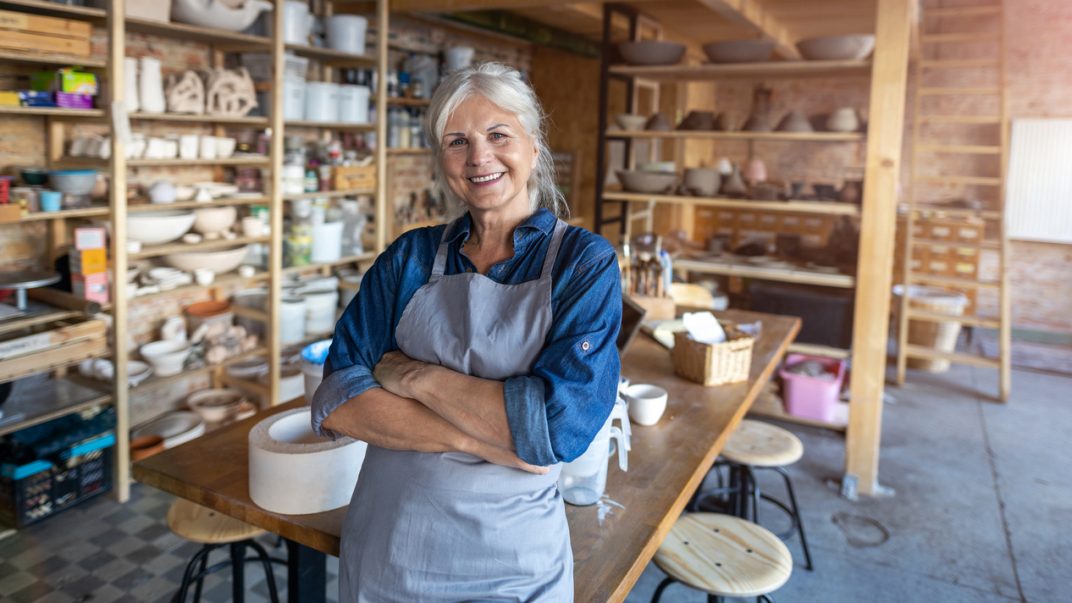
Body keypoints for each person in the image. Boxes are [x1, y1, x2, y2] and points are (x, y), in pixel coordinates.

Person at [311, 62, 622, 601]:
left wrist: (417, 379)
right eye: (458, 141)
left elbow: (554, 432)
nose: (479, 157)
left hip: (514, 569)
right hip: (388, 555)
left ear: (533, 143)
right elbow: (339, 398)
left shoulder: (583, 264)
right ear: (442, 158)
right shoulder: (408, 257)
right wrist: (479, 438)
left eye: (498, 135)